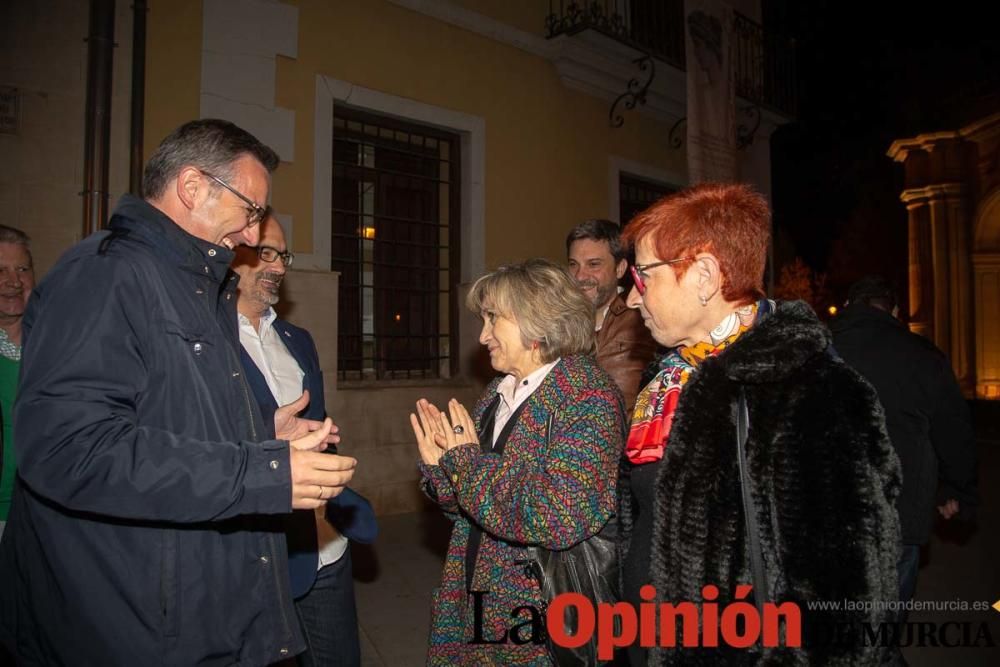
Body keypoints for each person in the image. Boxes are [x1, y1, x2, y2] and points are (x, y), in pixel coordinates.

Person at [0, 119, 357, 665]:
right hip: (126, 621)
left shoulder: (193, 287)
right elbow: (69, 449)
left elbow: (164, 420)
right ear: (192, 188)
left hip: (184, 611)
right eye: (252, 210)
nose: (254, 235)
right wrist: (261, 474)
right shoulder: (105, 277)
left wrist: (261, 433)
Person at [619, 183, 901, 665]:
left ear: (704, 275)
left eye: (642, 276)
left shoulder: (809, 391)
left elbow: (846, 598)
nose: (629, 299)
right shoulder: (669, 378)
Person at [411, 259, 626, 665]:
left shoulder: (587, 397)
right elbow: (474, 503)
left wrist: (464, 463)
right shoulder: (498, 391)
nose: (483, 335)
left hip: (532, 618)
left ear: (538, 322)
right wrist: (443, 473)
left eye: (494, 319)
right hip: (474, 592)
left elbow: (559, 514)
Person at [234, 214, 376, 667]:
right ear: (231, 253)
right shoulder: (207, 342)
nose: (278, 266)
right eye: (265, 253)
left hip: (324, 546)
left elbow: (316, 431)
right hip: (256, 557)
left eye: (283, 255)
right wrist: (264, 433)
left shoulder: (298, 340)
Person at [830, 276, 978, 620]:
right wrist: (959, 491)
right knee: (883, 626)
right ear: (894, 311)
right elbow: (955, 432)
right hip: (900, 514)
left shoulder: (816, 350)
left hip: (826, 513)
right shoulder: (925, 357)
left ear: (850, 306)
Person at [567, 219, 657, 413]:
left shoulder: (642, 321)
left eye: (593, 264)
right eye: (573, 264)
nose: (580, 276)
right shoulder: (558, 325)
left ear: (620, 268)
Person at [0, 225, 34, 540]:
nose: (13, 281)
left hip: (37, 515)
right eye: (1, 271)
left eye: (22, 269)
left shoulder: (57, 343)